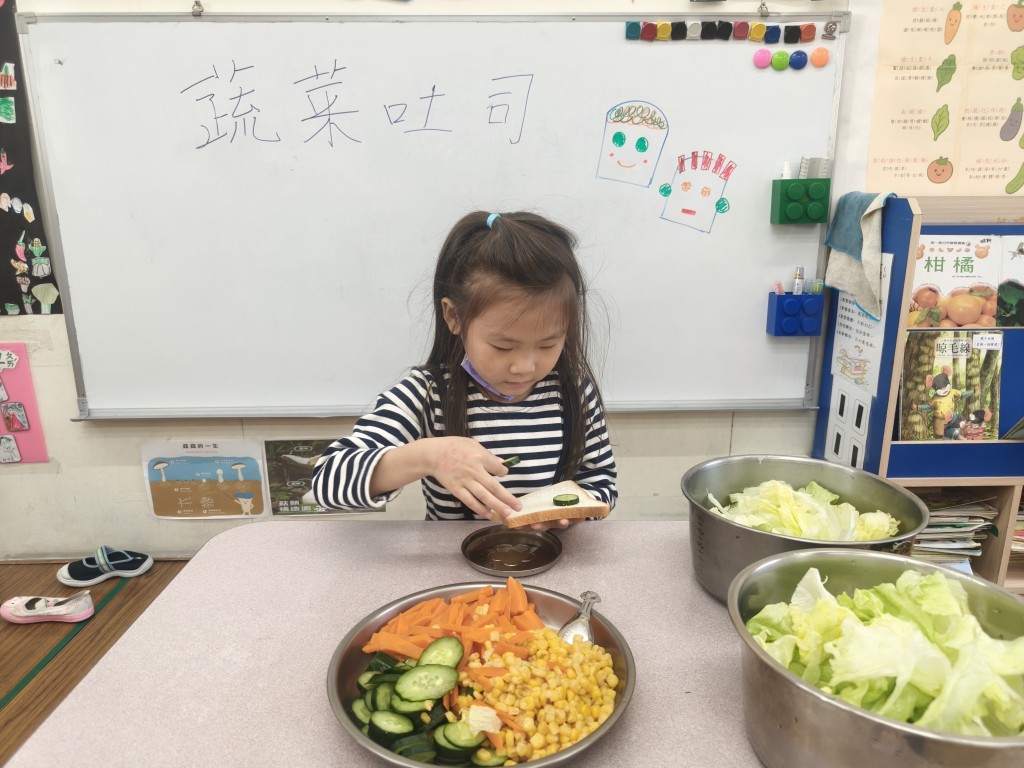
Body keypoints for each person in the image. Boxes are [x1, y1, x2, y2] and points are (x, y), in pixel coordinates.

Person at [310, 210, 617, 530]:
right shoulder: (426, 395)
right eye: (503, 346)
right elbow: (326, 481)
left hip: (549, 551)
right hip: (453, 556)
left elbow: (601, 482)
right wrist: (428, 457)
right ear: (454, 317)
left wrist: (576, 512)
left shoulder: (574, 390)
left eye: (548, 345)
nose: (524, 367)